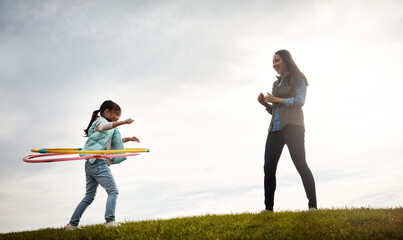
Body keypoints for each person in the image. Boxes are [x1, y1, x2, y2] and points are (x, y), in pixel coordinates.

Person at [65, 100, 140, 230]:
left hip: (91, 164)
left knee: (89, 196)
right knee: (113, 191)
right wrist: (123, 123)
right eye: (116, 115)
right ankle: (110, 221)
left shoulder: (108, 127)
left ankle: (72, 225)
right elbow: (104, 127)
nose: (118, 118)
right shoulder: (100, 122)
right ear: (107, 112)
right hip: (98, 162)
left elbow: (113, 141)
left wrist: (129, 139)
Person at [257, 49, 317, 212]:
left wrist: (276, 99)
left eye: (277, 60)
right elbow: (276, 111)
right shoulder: (276, 84)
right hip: (275, 129)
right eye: (273, 61)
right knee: (268, 167)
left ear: (286, 61)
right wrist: (266, 105)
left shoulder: (299, 78)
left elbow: (300, 101)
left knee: (300, 164)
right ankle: (268, 209)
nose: (274, 64)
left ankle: (313, 206)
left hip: (293, 126)